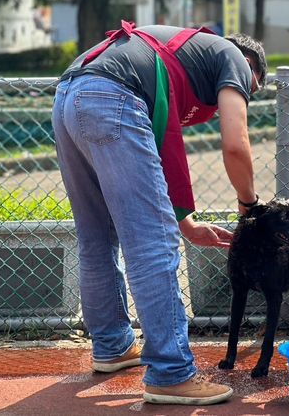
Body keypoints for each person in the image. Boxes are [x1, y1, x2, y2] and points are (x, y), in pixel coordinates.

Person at [51, 21, 266, 404]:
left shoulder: (177, 56)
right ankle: (170, 372)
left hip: (70, 94)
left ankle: (113, 346)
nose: (234, 99)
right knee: (153, 242)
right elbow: (236, 144)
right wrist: (248, 206)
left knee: (97, 237)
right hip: (111, 96)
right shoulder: (232, 56)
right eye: (251, 89)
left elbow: (159, 151)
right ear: (250, 68)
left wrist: (186, 222)